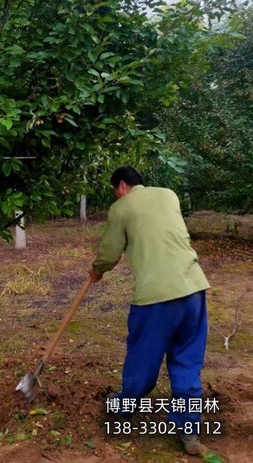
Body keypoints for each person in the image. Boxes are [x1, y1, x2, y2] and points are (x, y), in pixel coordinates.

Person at [89, 166, 209, 456]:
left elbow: (110, 251)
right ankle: (189, 432)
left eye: (114, 191)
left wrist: (97, 270)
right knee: (187, 361)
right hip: (193, 289)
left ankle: (124, 407)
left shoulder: (121, 208)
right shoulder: (169, 195)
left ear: (121, 186)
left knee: (143, 359)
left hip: (156, 297)